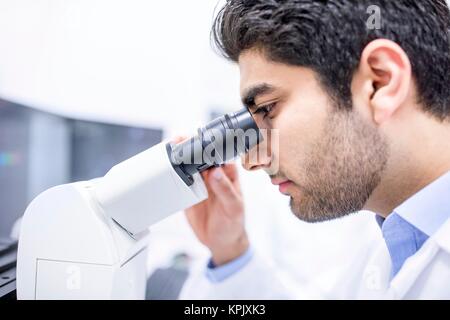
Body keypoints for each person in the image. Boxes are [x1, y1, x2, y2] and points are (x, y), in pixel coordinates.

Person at [180, 0, 450, 299]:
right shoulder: (389, 251)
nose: (251, 161)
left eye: (268, 109)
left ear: (379, 82)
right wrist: (231, 250)